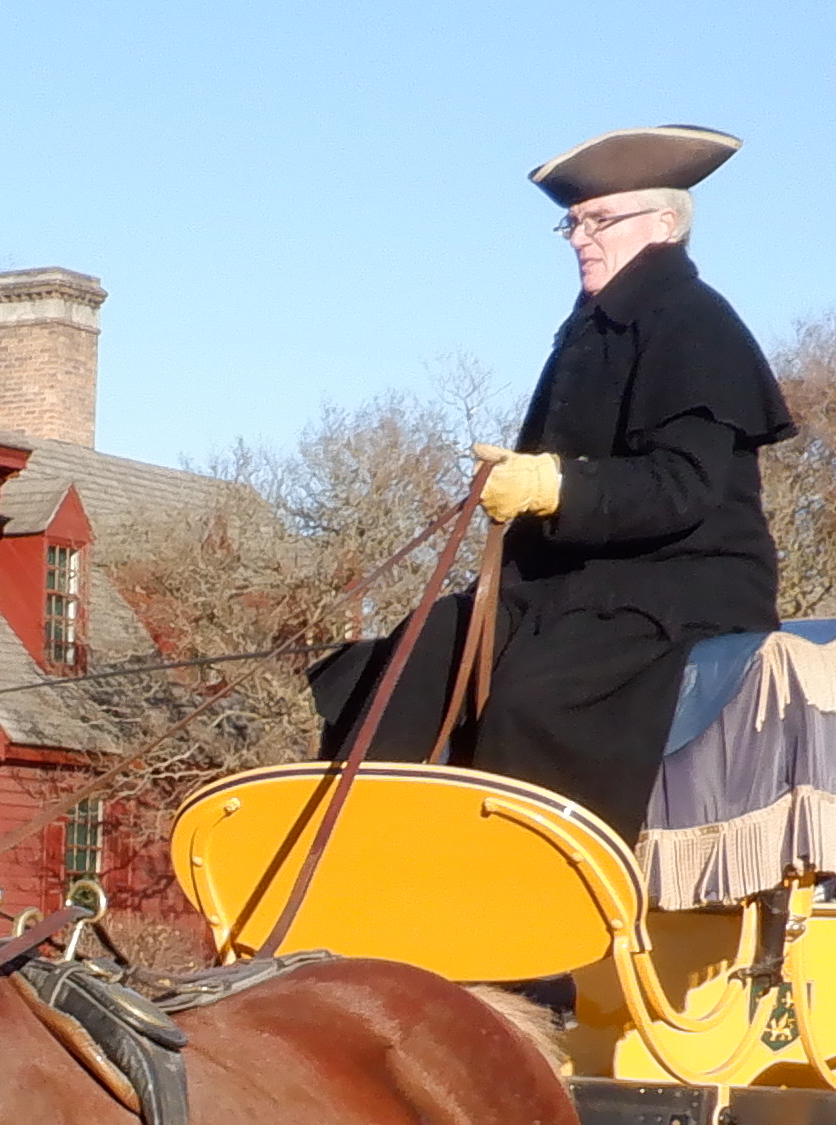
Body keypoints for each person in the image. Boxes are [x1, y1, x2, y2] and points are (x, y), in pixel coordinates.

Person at [308, 124, 794, 837]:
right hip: (566, 585)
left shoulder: (698, 325)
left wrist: (554, 488)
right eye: (572, 222)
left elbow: (682, 487)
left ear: (664, 224)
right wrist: (524, 486)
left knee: (534, 700)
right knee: (408, 656)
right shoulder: (588, 329)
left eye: (600, 220)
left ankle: (528, 896)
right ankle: (351, 853)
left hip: (681, 586)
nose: (579, 237)